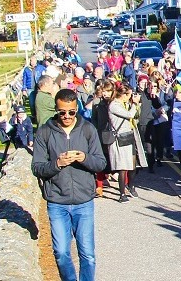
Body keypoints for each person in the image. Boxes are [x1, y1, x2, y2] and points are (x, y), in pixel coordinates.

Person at [32, 88, 107, 281]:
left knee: (87, 255)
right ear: (56, 110)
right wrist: (57, 164)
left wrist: (84, 158)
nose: (66, 116)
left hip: (83, 201)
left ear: (77, 109)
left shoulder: (88, 129)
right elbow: (37, 167)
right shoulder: (45, 132)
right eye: (62, 112)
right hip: (57, 201)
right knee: (61, 252)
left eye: (71, 112)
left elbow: (100, 163)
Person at [109, 86, 148, 202]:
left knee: (132, 164)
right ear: (124, 95)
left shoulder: (125, 104)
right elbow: (130, 115)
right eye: (130, 95)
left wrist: (136, 106)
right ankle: (122, 194)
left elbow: (135, 117)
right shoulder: (114, 105)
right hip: (120, 138)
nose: (131, 97)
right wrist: (135, 104)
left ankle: (131, 186)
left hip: (130, 135)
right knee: (123, 167)